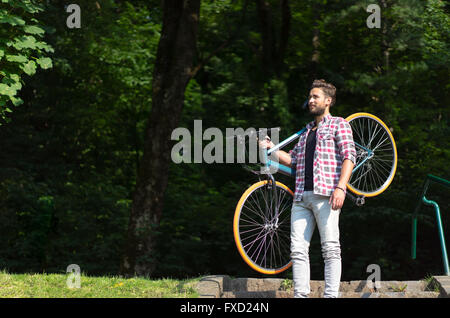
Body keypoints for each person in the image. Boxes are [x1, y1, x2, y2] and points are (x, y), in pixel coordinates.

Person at [259, 79, 356, 298]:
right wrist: (270, 149)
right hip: (302, 197)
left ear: (328, 101)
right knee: (297, 251)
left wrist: (341, 187)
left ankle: (331, 296)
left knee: (330, 248)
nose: (310, 100)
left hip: (327, 195)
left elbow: (350, 156)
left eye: (315, 97)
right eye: (310, 97)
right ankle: (300, 295)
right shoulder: (305, 133)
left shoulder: (338, 124)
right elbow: (292, 160)